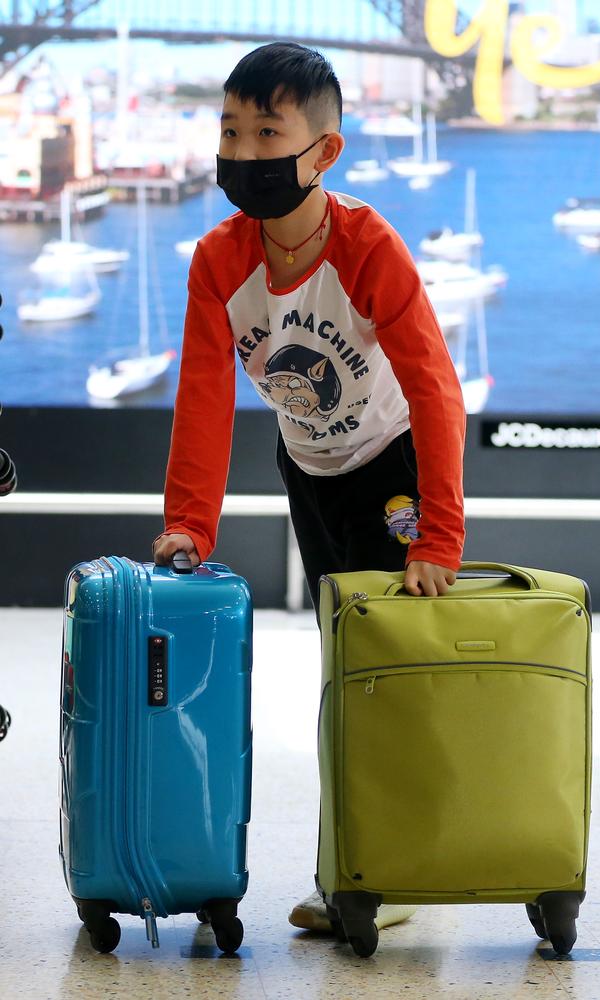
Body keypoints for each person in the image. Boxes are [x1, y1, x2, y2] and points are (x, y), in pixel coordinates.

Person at [153, 42, 466, 933]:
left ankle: (392, 871)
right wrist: (188, 527)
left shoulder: (370, 250)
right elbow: (205, 401)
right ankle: (358, 868)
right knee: (346, 669)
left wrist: (438, 538)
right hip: (312, 470)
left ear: (324, 152)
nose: (243, 153)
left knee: (392, 673)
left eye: (267, 133)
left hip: (393, 467)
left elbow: (438, 391)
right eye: (230, 131)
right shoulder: (219, 262)